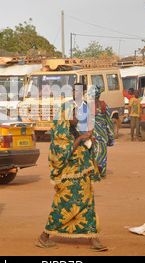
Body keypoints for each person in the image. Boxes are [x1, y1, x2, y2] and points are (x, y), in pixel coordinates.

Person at [37, 102, 107, 252]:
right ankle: (44, 237)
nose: (77, 117)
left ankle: (93, 239)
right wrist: (80, 138)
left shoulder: (73, 131)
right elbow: (63, 154)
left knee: (88, 207)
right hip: (68, 179)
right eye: (74, 114)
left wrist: (88, 142)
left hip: (82, 177)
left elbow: (80, 149)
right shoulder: (60, 134)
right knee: (62, 208)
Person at [89, 85, 114, 177]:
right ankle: (101, 172)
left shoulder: (88, 106)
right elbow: (109, 122)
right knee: (102, 154)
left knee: (92, 153)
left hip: (92, 134)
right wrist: (111, 136)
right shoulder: (104, 106)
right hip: (102, 134)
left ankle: (93, 171)